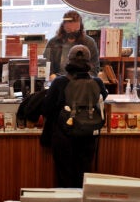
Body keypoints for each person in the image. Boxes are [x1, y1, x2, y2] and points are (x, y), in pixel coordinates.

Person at [40, 44, 108, 188]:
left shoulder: (59, 82)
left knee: (64, 177)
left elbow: (46, 108)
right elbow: (103, 98)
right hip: (88, 136)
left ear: (68, 61)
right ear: (89, 63)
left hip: (64, 136)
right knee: (83, 177)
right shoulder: (97, 82)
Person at [43, 10, 100, 78]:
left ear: (81, 27)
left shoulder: (89, 43)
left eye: (76, 30)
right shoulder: (53, 43)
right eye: (69, 30)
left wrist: (83, 79)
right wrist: (51, 76)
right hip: (59, 81)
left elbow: (94, 69)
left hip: (82, 83)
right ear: (63, 27)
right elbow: (46, 65)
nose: (72, 33)